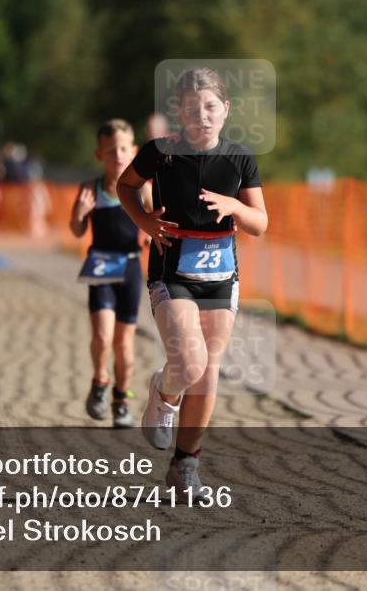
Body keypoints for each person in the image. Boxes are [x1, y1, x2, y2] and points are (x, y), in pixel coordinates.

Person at [116, 68, 267, 491]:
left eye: (210, 107)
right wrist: (144, 221)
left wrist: (233, 206)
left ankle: (185, 466)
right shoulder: (160, 153)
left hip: (221, 277)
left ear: (226, 111)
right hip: (172, 269)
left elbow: (260, 222)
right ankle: (163, 393)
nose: (202, 115)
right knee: (190, 362)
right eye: (191, 108)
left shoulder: (240, 158)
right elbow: (125, 186)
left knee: (209, 372)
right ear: (179, 114)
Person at [70, 120, 153, 429]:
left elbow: (153, 227)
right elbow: (77, 230)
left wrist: (150, 232)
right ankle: (100, 380)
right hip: (101, 265)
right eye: (110, 151)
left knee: (124, 344)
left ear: (132, 151)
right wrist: (79, 214)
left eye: (122, 149)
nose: (117, 155)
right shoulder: (89, 189)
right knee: (102, 336)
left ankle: (121, 399)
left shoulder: (144, 189)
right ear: (99, 154)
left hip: (131, 267)